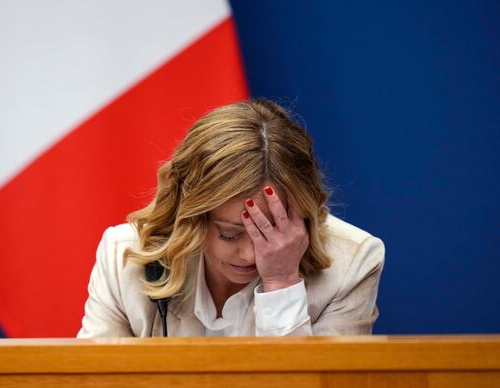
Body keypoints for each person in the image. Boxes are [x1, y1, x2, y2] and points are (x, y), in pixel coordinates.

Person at [77, 99, 384, 337]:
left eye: (272, 232)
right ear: (189, 216)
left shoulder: (353, 263)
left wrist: (281, 282)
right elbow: (92, 387)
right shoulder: (124, 257)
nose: (251, 254)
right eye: (230, 233)